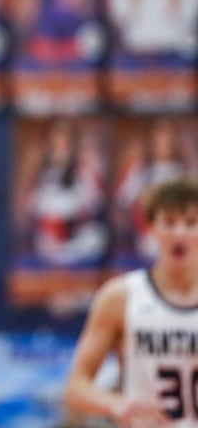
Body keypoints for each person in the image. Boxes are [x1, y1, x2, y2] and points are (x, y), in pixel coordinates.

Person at [64, 177, 198, 427]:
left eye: (191, 223)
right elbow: (75, 388)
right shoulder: (121, 296)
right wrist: (116, 403)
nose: (179, 233)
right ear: (151, 227)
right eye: (169, 222)